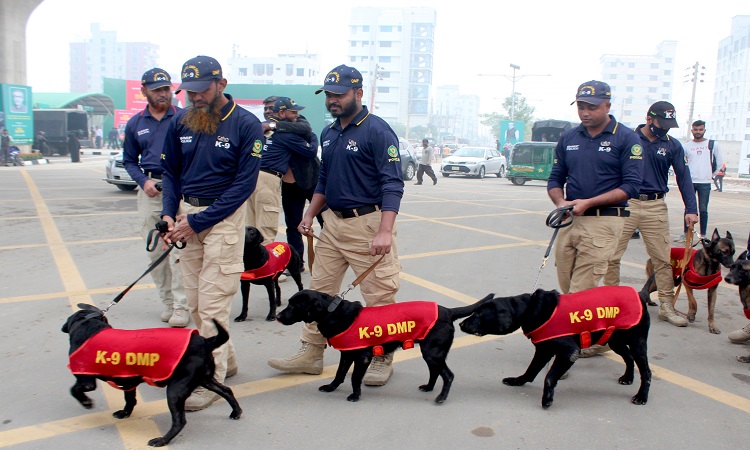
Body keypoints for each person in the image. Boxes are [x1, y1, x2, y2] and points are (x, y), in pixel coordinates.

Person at [268, 64, 404, 387]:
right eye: (328, 95)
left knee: (380, 294)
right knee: (319, 291)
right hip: (332, 225)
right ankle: (311, 352)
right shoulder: (329, 133)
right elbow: (324, 180)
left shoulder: (378, 131)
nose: (332, 100)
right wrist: (309, 213)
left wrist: (385, 230)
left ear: (358, 93)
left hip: (368, 224)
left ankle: (382, 355)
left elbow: (392, 184)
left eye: (339, 94)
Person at [160, 55, 263, 411]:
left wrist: (199, 221)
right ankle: (227, 360)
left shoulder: (247, 124)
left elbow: (243, 186)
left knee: (213, 301)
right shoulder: (180, 122)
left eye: (202, 89)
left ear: (221, 84)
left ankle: (210, 376)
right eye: (189, 91)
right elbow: (170, 173)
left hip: (224, 218)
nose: (195, 97)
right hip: (188, 216)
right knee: (195, 301)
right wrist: (169, 215)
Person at [547, 80, 642, 357]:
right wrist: (561, 202)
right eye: (581, 106)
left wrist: (588, 202)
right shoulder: (569, 137)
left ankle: (569, 349)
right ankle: (599, 335)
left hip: (604, 221)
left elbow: (631, 186)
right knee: (567, 288)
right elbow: (555, 179)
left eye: (592, 107)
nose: (585, 112)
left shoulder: (625, 138)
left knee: (580, 292)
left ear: (608, 106)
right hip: (570, 220)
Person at [603, 101, 698, 328]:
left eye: (669, 124)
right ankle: (611, 304)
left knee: (662, 259)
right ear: (649, 118)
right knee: (612, 256)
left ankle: (666, 305)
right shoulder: (628, 139)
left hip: (655, 205)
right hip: (626, 202)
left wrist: (691, 209)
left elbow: (684, 177)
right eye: (661, 123)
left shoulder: (673, 146)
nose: (664, 128)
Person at [122, 68, 189, 328]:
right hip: (152, 190)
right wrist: (143, 180)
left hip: (181, 189)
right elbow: (129, 160)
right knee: (155, 251)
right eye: (157, 90)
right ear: (144, 92)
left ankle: (182, 306)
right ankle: (169, 303)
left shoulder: (184, 118)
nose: (163, 94)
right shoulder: (136, 123)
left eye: (166, 89)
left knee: (179, 249)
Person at [245, 97, 317, 246]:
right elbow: (310, 151)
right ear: (282, 113)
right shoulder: (285, 133)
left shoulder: (259, 128)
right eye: (293, 111)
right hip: (268, 180)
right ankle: (264, 269)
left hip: (249, 177)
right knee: (265, 229)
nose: (297, 115)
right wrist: (313, 137)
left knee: (250, 229)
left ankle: (248, 268)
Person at [675, 120, 723, 242]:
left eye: (700, 129)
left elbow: (719, 161)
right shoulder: (686, 146)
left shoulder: (712, 144)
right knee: (689, 208)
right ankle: (686, 234)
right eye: (695, 130)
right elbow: (681, 163)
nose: (698, 132)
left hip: (705, 182)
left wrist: (711, 175)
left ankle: (702, 235)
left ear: (704, 130)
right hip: (689, 182)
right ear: (692, 131)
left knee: (703, 209)